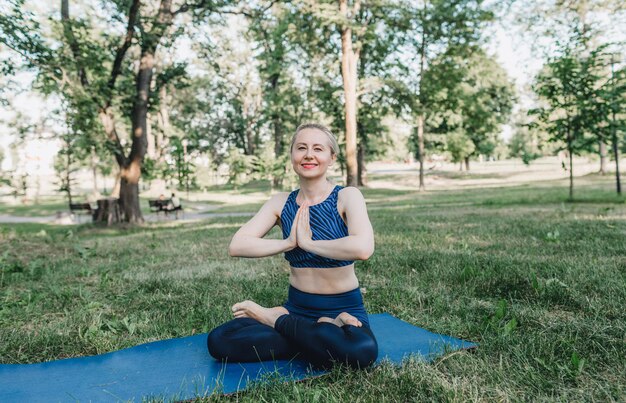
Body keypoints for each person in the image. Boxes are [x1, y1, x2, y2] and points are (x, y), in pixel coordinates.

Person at [207, 123, 378, 369]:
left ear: (331, 158)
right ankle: (318, 336)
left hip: (344, 307)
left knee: (362, 351)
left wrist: (308, 243)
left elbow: (362, 248)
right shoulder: (280, 202)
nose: (309, 155)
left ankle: (279, 322)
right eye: (301, 148)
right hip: (297, 309)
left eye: (318, 148)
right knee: (220, 341)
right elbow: (238, 245)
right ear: (292, 156)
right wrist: (288, 243)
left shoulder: (347, 196)